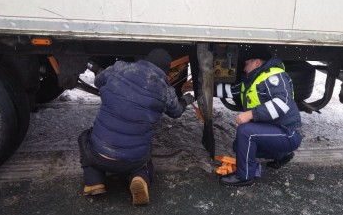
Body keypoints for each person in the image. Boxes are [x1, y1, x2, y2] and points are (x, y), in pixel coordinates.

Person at [78, 48, 195, 205]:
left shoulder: (119, 68)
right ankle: (139, 177)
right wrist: (187, 99)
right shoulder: (165, 89)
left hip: (99, 155)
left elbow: (99, 81)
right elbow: (176, 112)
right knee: (143, 160)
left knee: (85, 139)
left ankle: (94, 180)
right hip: (132, 161)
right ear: (166, 70)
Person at [215, 46, 302, 186]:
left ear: (257, 62)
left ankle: (244, 176)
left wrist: (251, 114)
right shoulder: (253, 79)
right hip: (274, 130)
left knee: (246, 132)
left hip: (288, 133)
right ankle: (281, 155)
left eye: (246, 63)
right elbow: (229, 91)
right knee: (239, 146)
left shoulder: (274, 76)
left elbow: (282, 103)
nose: (243, 68)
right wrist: (199, 87)